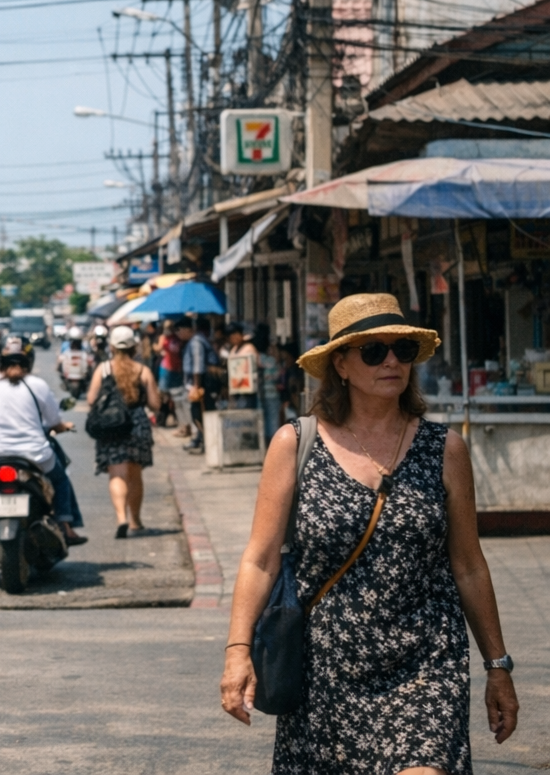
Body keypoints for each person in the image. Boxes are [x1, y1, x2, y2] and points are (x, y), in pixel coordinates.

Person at [220, 294, 518, 773]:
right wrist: (238, 652)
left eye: (402, 349)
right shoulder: (296, 444)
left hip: (428, 661)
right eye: (374, 351)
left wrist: (497, 667)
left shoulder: (446, 449)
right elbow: (260, 559)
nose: (393, 361)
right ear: (340, 364)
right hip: (326, 670)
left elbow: (467, 564)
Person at [0, 336, 86, 545]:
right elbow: (54, 421)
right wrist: (64, 427)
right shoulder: (39, 385)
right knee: (60, 479)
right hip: (35, 455)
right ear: (30, 360)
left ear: (0, 360)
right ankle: (65, 525)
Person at [87, 325, 161, 538]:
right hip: (137, 423)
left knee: (116, 474)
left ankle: (121, 518)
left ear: (111, 347)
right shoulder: (142, 370)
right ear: (134, 347)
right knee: (135, 474)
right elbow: (155, 404)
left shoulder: (103, 369)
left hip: (111, 426)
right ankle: (136, 521)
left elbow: (91, 399)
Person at [181, 317, 215, 453]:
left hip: (201, 385)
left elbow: (197, 365)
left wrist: (196, 386)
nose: (178, 333)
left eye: (179, 330)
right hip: (199, 384)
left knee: (199, 414)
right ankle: (201, 440)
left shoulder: (196, 342)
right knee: (198, 414)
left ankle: (206, 443)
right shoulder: (195, 340)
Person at [223, 323, 260, 412]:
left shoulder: (249, 348)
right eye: (230, 336)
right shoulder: (233, 350)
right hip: (237, 389)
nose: (233, 338)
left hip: (248, 389)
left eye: (235, 335)